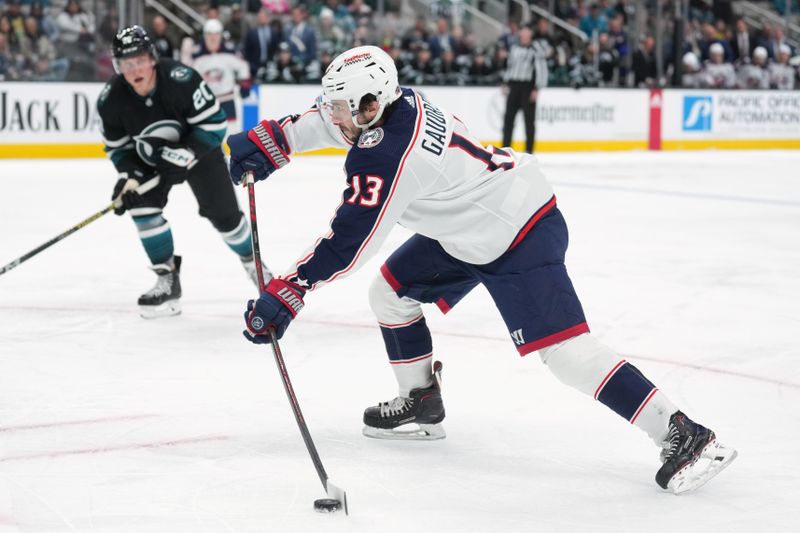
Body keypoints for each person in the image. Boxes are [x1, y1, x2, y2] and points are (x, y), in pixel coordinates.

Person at [225, 45, 737, 494]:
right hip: (469, 228)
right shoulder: (387, 109)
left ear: (370, 105)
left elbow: (350, 240)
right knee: (391, 292)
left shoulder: (387, 155)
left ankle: (682, 432)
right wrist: (276, 140)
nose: (330, 114)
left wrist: (290, 288)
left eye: (339, 106)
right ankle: (420, 400)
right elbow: (322, 122)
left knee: (565, 355)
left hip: (518, 229)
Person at [97, 26, 266, 318]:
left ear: (152, 58)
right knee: (140, 204)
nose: (134, 69)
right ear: (118, 66)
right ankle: (167, 281)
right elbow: (119, 149)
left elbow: (215, 124)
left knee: (226, 218)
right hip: (151, 159)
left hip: (200, 152)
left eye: (139, 60)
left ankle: (255, 266)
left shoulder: (181, 79)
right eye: (126, 63)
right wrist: (130, 175)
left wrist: (185, 153)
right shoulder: (110, 99)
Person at [191, 19, 251, 130]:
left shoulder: (230, 52)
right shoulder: (197, 56)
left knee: (231, 135)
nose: (213, 38)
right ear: (205, 36)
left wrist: (245, 85)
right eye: (210, 34)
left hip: (227, 101)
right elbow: (190, 76)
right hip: (206, 104)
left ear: (221, 35)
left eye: (216, 34)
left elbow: (243, 66)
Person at [502, 25, 544, 154]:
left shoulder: (536, 49)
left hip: (528, 87)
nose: (525, 34)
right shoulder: (514, 48)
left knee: (529, 121)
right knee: (508, 119)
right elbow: (510, 66)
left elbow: (541, 69)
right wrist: (505, 82)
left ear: (530, 33)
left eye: (527, 31)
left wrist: (537, 88)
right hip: (514, 86)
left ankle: (529, 151)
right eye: (523, 31)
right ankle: (505, 149)